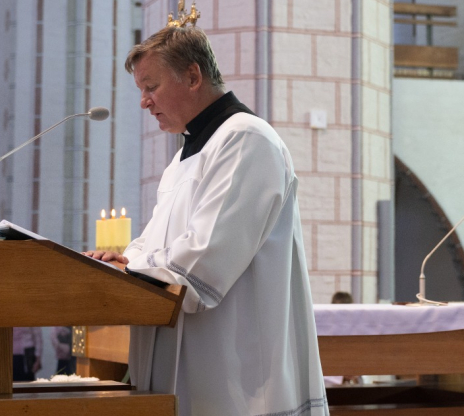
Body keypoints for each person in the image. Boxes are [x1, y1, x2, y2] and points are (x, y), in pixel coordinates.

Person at [83, 26, 328, 416]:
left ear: (193, 76)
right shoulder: (183, 159)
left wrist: (130, 272)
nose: (144, 102)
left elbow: (204, 261)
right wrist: (121, 264)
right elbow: (151, 244)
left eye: (151, 87)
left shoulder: (246, 139)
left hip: (239, 374)